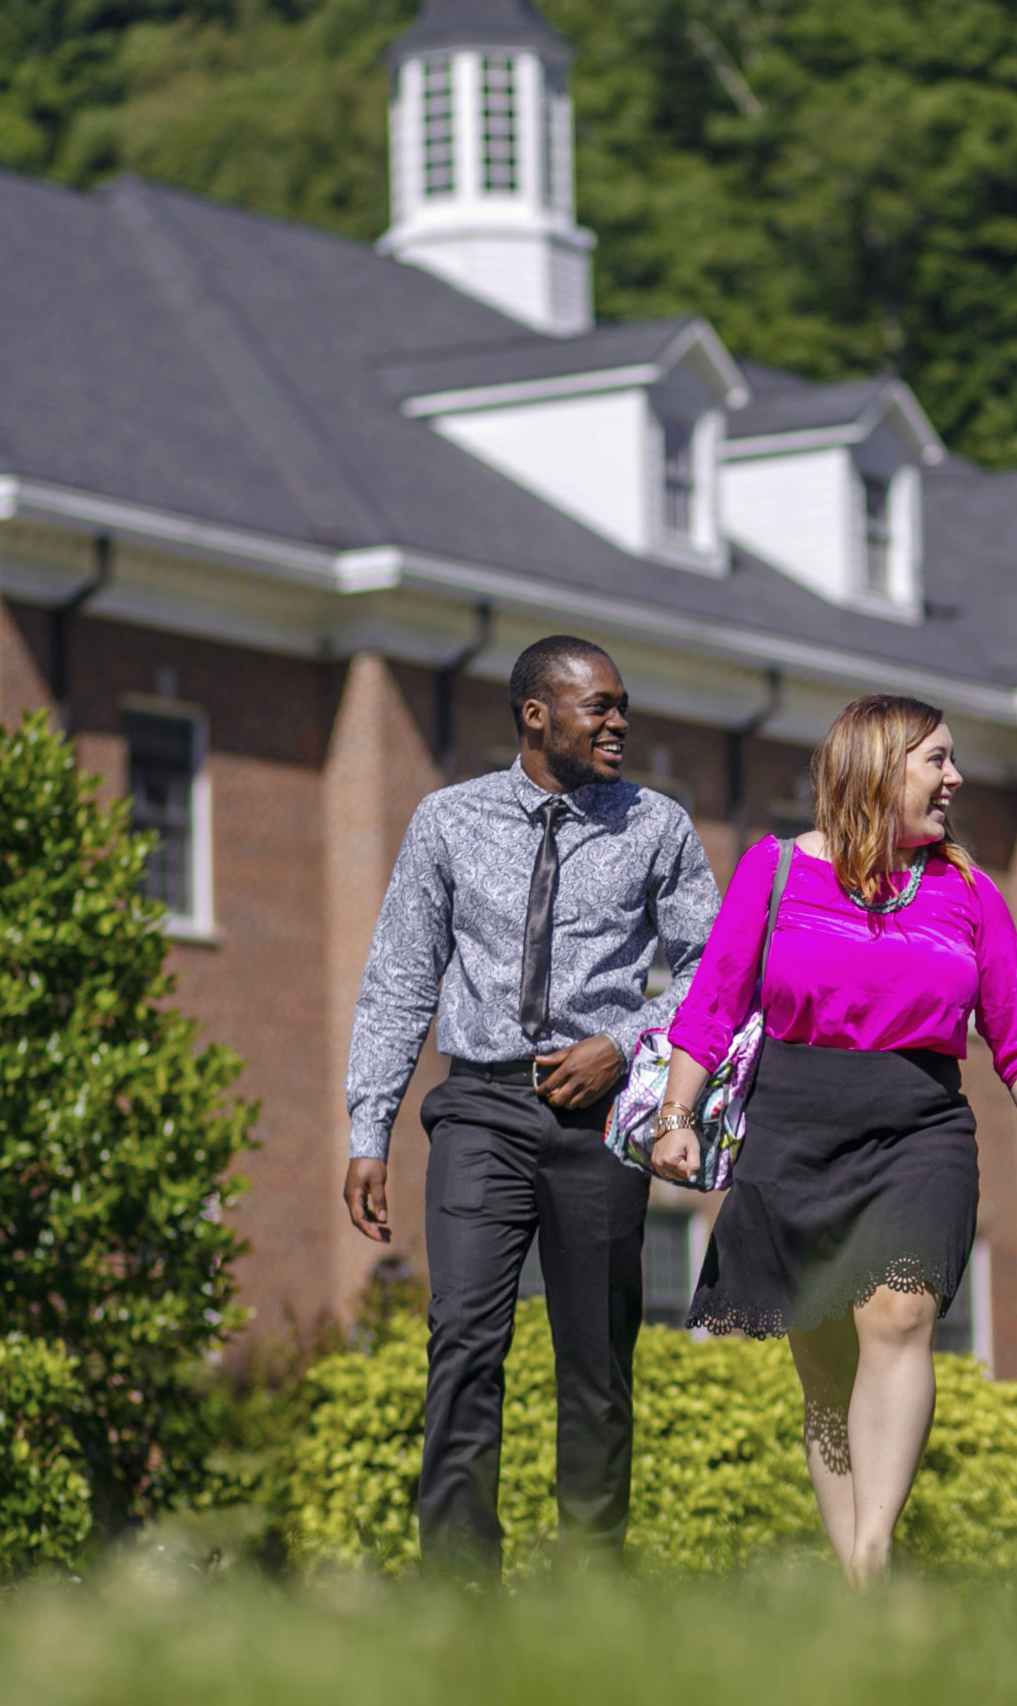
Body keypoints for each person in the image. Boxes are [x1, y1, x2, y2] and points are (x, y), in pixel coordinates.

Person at [646, 694, 1017, 1585]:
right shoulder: (772, 874)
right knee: (827, 1373)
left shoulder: (967, 890)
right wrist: (675, 1117)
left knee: (899, 1313)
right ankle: (859, 1588)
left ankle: (874, 1553)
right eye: (937, 761)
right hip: (797, 1128)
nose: (955, 778)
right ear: (878, 769)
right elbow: (712, 1006)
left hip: (918, 1124)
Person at [340, 635, 721, 1580]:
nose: (620, 723)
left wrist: (625, 1043)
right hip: (480, 1108)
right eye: (601, 707)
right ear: (536, 715)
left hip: (602, 1125)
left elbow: (717, 970)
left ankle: (590, 1588)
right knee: (464, 1338)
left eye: (623, 704)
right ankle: (458, 1589)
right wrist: (368, 1130)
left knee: (596, 1361)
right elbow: (398, 979)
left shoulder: (657, 827)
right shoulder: (446, 822)